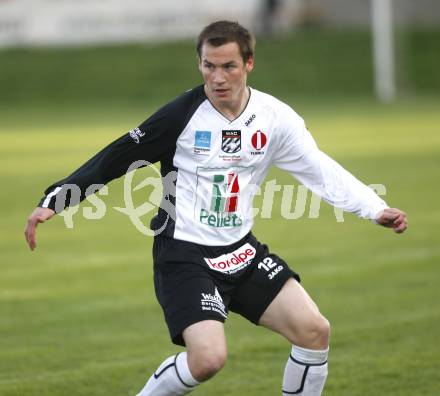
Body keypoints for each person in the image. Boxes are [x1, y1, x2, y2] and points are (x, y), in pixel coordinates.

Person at [24, 20, 407, 396]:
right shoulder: (180, 117)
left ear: (249, 64)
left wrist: (374, 209)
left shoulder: (275, 118)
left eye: (229, 66)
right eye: (209, 66)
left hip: (242, 251)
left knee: (314, 331)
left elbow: (318, 169)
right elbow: (118, 156)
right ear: (200, 64)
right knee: (208, 359)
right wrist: (56, 200)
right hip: (185, 255)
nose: (218, 77)